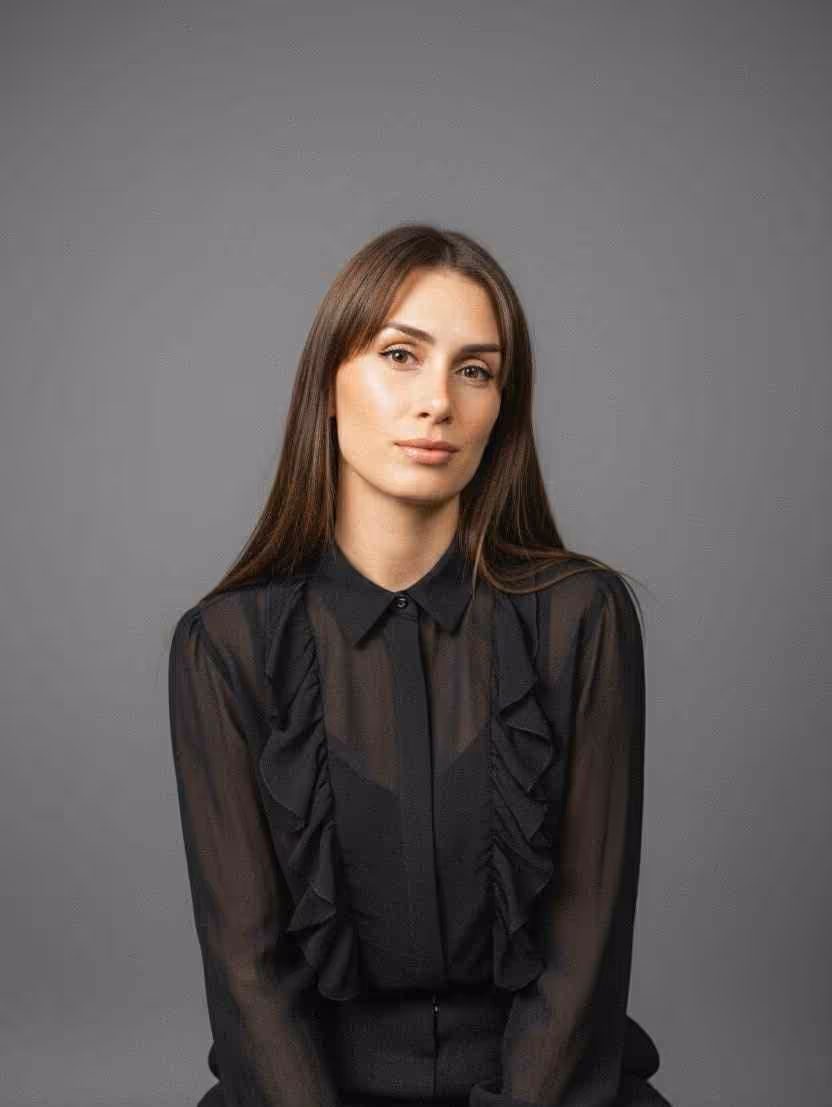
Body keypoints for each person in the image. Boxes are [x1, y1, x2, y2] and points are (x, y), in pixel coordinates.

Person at [167, 223, 673, 1107]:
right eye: (401, 355)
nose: (438, 400)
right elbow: (249, 974)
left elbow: (587, 942)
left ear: (500, 408)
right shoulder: (226, 646)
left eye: (474, 370)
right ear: (329, 382)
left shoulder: (581, 618)